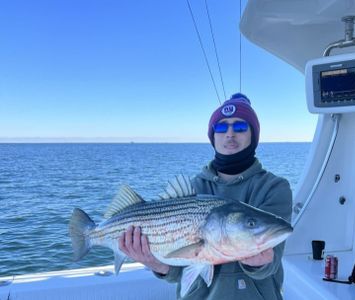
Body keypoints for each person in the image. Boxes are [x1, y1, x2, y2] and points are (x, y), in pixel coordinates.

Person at [119, 93, 293, 299]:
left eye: (239, 127)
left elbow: (271, 264)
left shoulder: (273, 187)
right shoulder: (194, 188)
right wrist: (156, 263)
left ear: (253, 135)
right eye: (221, 127)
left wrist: (261, 263)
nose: (230, 134)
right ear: (213, 136)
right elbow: (179, 270)